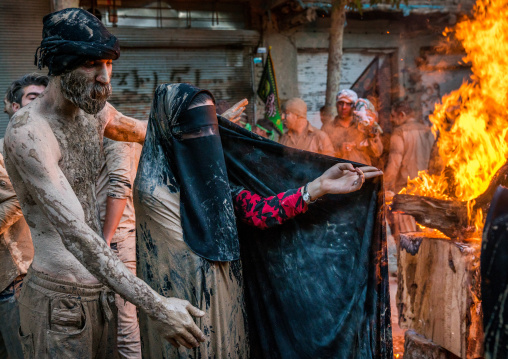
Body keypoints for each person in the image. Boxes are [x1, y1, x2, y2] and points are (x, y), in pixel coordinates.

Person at [5, 8, 207, 358]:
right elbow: (77, 235)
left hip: (102, 294)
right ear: (60, 66)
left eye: (109, 64)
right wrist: (158, 307)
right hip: (58, 304)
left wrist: (216, 134)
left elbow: (153, 134)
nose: (104, 77)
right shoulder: (28, 132)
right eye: (91, 65)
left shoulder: (96, 111)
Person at [134, 83, 384, 358]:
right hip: (176, 311)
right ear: (169, 131)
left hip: (225, 304)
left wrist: (318, 186)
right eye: (194, 130)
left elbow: (261, 212)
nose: (203, 139)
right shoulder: (153, 190)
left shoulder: (216, 184)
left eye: (210, 130)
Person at [96, 138, 142, 358]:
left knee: (125, 327)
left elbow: (121, 184)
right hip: (104, 240)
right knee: (112, 324)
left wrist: (106, 238)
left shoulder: (115, 135)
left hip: (116, 241)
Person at [385, 100, 435, 234]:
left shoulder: (399, 132)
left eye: (393, 116)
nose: (391, 119)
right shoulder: (428, 131)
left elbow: (394, 164)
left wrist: (384, 187)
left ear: (401, 115)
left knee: (407, 240)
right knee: (426, 238)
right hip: (427, 192)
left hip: (405, 192)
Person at [323, 89, 383, 165]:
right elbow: (323, 155)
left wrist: (370, 130)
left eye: (348, 104)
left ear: (354, 106)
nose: (344, 107)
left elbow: (377, 153)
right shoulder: (328, 128)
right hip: (339, 174)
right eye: (341, 103)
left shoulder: (363, 125)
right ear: (336, 105)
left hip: (362, 173)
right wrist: (339, 149)